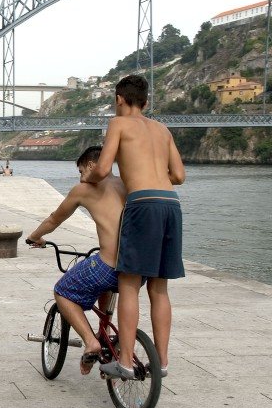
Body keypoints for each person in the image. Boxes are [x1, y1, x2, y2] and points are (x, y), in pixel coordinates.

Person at [84, 74, 186, 380]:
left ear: (118, 99)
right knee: (159, 287)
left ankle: (126, 361)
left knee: (129, 284)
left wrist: (88, 180)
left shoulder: (118, 124)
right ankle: (162, 362)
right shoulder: (163, 129)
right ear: (146, 101)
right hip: (171, 205)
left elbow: (102, 169)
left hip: (143, 205)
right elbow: (179, 176)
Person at [26, 146, 127, 375]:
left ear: (92, 166)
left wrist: (35, 237)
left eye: (81, 170)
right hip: (135, 267)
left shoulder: (83, 189)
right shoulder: (125, 183)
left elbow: (54, 219)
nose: (81, 177)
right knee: (105, 285)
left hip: (107, 265)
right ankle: (105, 337)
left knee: (62, 291)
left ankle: (91, 342)